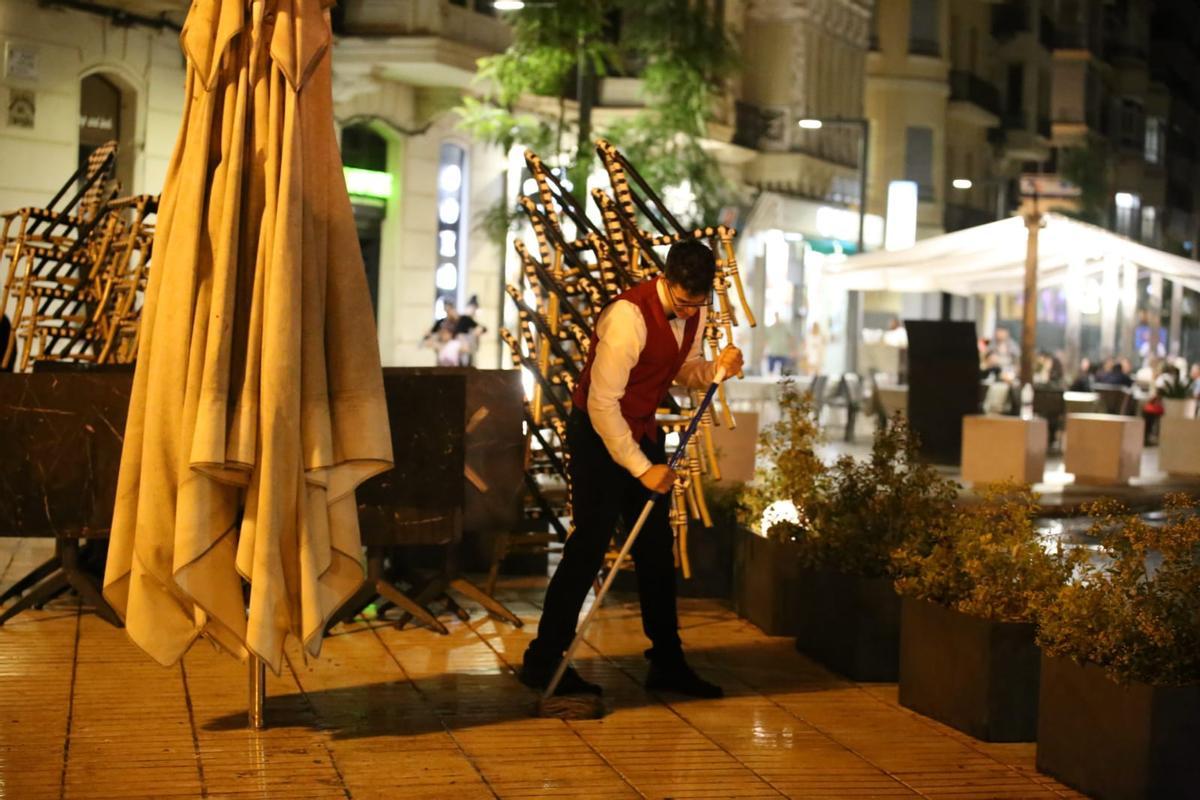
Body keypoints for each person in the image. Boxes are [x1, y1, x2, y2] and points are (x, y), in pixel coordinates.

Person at [519, 240, 743, 699]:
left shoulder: (694, 311)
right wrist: (643, 469)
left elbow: (683, 370)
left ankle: (667, 662)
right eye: (683, 301)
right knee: (588, 546)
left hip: (640, 431)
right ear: (666, 279)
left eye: (697, 303)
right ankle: (543, 660)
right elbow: (602, 405)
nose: (690, 310)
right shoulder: (628, 318)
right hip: (598, 436)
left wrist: (716, 370)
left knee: (655, 550)